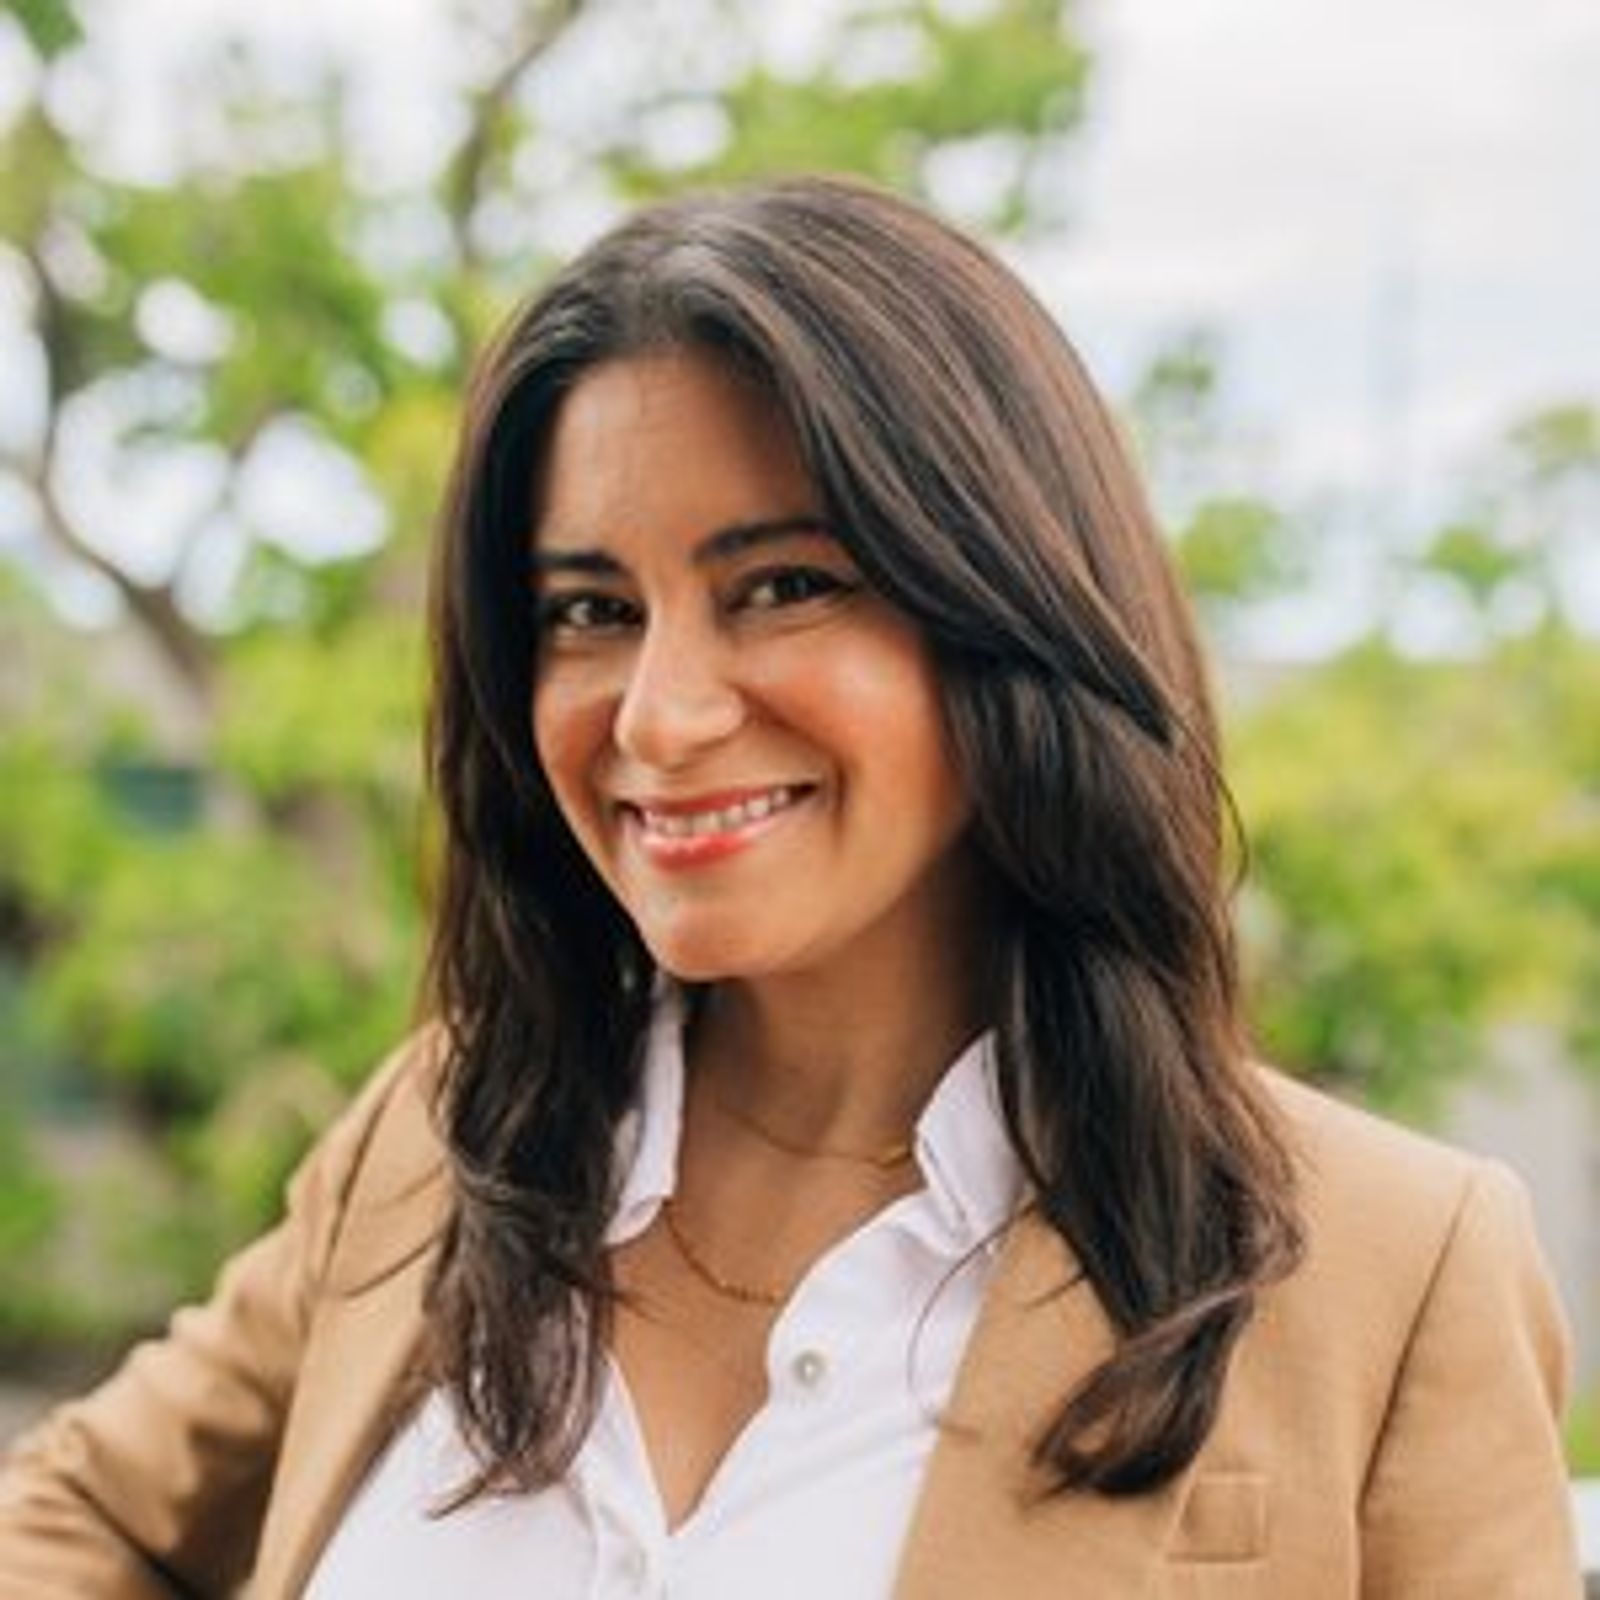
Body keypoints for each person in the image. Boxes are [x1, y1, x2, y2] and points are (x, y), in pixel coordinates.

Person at [0, 176, 1580, 1599]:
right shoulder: (442, 1143)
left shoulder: (1389, 1266)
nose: (659, 716)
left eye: (785, 587)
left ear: (1004, 610)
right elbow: (87, 1522)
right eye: (590, 610)